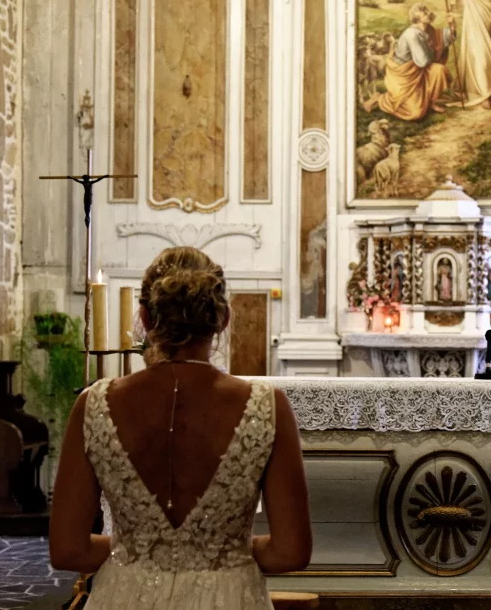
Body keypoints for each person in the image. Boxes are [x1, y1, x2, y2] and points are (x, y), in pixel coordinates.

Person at [49, 247, 312, 609]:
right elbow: (291, 552)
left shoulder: (93, 404)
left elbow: (67, 549)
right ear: (223, 319)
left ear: (145, 317)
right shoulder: (268, 405)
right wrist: (219, 551)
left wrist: (140, 551)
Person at [370, 3, 457, 120]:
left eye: (427, 11)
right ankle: (380, 99)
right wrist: (433, 49)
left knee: (439, 70)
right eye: (424, 12)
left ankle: (431, 102)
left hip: (418, 71)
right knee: (415, 113)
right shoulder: (412, 34)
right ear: (417, 17)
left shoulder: (428, 30)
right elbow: (423, 62)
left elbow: (442, 38)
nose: (428, 13)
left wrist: (452, 24)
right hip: (404, 77)